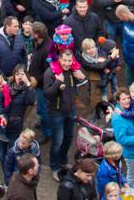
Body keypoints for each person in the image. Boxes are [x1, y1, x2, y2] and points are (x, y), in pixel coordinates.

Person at [43, 49, 81, 180]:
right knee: (57, 141)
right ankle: (54, 167)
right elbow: (47, 94)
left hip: (70, 111)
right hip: (57, 113)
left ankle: (63, 161)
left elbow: (81, 82)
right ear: (59, 59)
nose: (67, 63)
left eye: (69, 60)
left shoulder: (72, 71)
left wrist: (81, 76)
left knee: (68, 138)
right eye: (64, 60)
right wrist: (58, 82)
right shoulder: (51, 72)